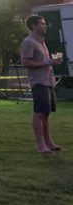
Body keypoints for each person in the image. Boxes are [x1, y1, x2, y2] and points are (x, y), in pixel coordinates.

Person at [20, 14, 61, 154]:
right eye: (42, 23)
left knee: (46, 113)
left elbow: (44, 61)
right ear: (34, 26)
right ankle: (41, 145)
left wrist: (52, 61)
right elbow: (26, 63)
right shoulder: (29, 42)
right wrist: (47, 62)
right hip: (39, 82)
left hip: (48, 81)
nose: (45, 26)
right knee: (39, 113)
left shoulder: (41, 41)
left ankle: (48, 142)